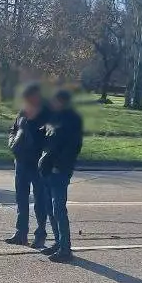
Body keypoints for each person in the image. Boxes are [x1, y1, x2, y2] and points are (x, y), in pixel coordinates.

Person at [38, 88, 83, 264]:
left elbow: (72, 148)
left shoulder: (72, 120)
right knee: (49, 208)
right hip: (47, 170)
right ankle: (58, 242)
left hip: (59, 171)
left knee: (59, 210)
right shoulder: (53, 117)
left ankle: (65, 248)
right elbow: (46, 137)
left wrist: (59, 165)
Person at [6, 83, 51, 249]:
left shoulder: (46, 114)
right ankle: (21, 233)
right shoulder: (23, 112)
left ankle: (40, 235)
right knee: (21, 199)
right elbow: (13, 129)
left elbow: (51, 139)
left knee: (40, 200)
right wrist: (12, 143)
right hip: (21, 162)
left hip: (37, 163)